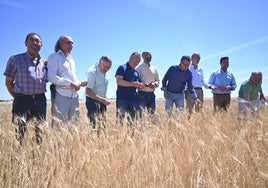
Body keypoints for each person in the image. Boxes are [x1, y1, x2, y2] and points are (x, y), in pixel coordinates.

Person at [3, 33, 47, 145]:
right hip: (22, 100)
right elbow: (8, 82)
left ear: (41, 45)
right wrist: (18, 97)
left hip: (40, 100)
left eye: (37, 41)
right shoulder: (16, 59)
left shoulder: (45, 63)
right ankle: (17, 157)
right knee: (19, 132)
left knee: (40, 132)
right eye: (32, 40)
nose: (34, 43)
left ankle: (37, 157)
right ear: (25, 43)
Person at [47, 35, 87, 127]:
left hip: (74, 96)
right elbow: (51, 77)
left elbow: (73, 77)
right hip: (61, 95)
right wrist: (70, 84)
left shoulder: (72, 59)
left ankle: (71, 142)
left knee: (74, 125)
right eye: (68, 42)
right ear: (60, 43)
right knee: (58, 126)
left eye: (72, 43)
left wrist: (79, 83)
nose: (71, 45)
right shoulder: (54, 57)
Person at [115, 52, 145, 127]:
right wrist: (133, 84)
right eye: (136, 61)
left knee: (132, 122)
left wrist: (141, 85)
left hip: (134, 99)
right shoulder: (122, 68)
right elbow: (119, 81)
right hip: (122, 99)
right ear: (130, 58)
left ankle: (131, 138)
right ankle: (119, 138)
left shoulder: (137, 72)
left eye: (138, 61)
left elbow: (138, 84)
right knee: (120, 121)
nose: (137, 63)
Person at [85, 56, 112, 129]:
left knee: (102, 124)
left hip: (102, 101)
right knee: (94, 124)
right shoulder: (92, 72)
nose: (107, 69)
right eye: (105, 67)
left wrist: (104, 99)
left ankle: (100, 140)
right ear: (100, 63)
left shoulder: (106, 73)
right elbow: (88, 91)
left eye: (109, 68)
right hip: (92, 101)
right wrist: (102, 99)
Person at [136, 51, 160, 115]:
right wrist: (147, 85)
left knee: (152, 115)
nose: (149, 56)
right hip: (141, 94)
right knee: (140, 115)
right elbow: (137, 81)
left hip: (152, 94)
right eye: (147, 55)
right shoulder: (139, 68)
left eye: (150, 55)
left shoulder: (154, 68)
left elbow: (158, 80)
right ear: (143, 57)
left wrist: (155, 84)